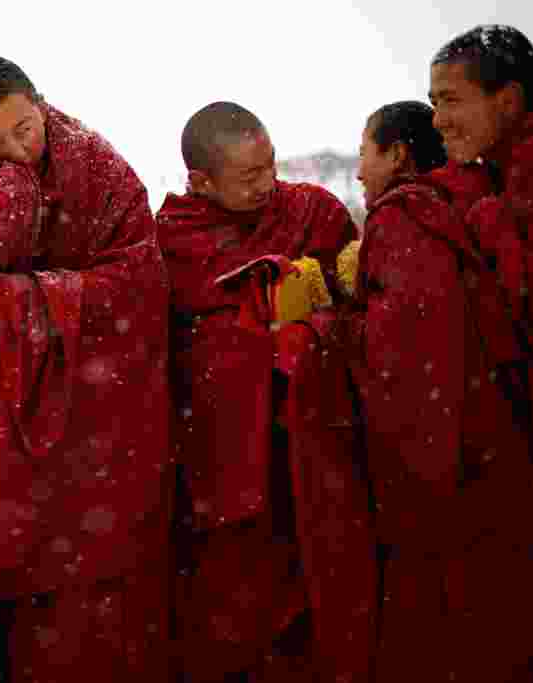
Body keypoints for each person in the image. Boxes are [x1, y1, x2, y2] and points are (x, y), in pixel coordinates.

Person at [0, 55, 173, 682]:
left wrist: (33, 297)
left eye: (25, 130)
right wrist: (15, 212)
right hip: (18, 424)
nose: (15, 151)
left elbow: (141, 285)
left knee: (104, 597)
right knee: (26, 601)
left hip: (105, 415)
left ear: (41, 104)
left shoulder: (98, 167)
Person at [156, 101, 374, 682]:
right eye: (250, 177)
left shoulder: (314, 213)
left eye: (271, 166)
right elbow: (162, 350)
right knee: (231, 615)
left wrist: (305, 321)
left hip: (308, 444)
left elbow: (362, 308)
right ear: (200, 181)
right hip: (221, 459)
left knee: (314, 598)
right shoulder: (174, 239)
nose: (269, 184)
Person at [347, 100, 533, 681]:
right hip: (508, 434)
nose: (359, 170)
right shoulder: (469, 202)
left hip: (450, 456)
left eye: (365, 151)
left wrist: (332, 325)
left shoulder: (403, 218)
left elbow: (408, 352)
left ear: (398, 154)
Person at [430, 24, 533, 667]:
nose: (438, 120)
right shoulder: (514, 162)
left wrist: (484, 216)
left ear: (509, 101)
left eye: (451, 100)